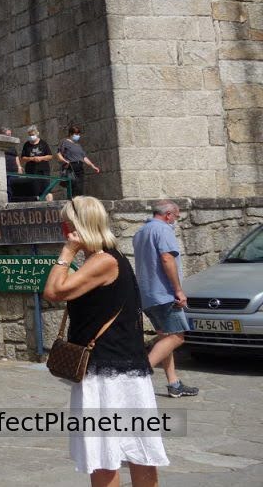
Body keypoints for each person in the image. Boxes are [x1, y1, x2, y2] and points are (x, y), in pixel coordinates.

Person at [43, 197, 168, 486]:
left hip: (107, 374)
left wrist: (66, 252)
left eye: (67, 224)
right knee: (136, 448)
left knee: (105, 454)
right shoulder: (107, 258)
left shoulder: (103, 261)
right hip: (122, 368)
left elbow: (54, 291)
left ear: (79, 226)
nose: (64, 230)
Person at [133, 201, 199, 398]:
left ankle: (174, 383)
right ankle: (137, 375)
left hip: (147, 295)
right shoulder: (163, 230)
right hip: (163, 294)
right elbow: (166, 259)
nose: (176, 221)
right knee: (177, 336)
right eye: (176, 217)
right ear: (169, 215)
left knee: (165, 338)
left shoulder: (140, 233)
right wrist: (178, 290)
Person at [57, 124, 100, 197]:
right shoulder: (64, 142)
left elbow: (84, 157)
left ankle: (79, 202)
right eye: (76, 134)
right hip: (71, 166)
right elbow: (58, 154)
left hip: (79, 166)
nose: (78, 136)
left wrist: (92, 166)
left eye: (79, 134)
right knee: (73, 187)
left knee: (80, 187)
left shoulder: (78, 145)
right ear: (71, 134)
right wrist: (65, 161)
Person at [21, 126, 55, 200]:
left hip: (43, 171)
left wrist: (41, 158)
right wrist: (32, 158)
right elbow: (23, 158)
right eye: (29, 135)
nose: (31, 136)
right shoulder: (26, 145)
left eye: (33, 134)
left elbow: (50, 156)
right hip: (31, 171)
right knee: (33, 190)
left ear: (37, 134)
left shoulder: (43, 143)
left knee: (46, 189)